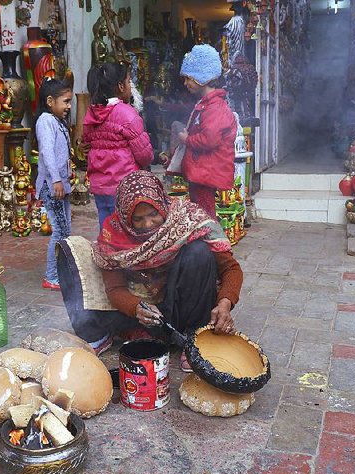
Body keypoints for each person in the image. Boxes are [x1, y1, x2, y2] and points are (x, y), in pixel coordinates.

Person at [56, 171, 242, 368]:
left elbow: (231, 268)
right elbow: (114, 289)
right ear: (126, 217)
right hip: (144, 316)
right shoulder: (114, 235)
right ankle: (112, 335)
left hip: (181, 306)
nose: (148, 224)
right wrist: (135, 307)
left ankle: (194, 338)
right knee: (73, 251)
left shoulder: (186, 219)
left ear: (162, 205)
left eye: (154, 214)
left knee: (198, 252)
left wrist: (225, 303)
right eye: (138, 219)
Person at [83, 62, 154, 231]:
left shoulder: (91, 113)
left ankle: (107, 256)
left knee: (107, 230)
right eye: (129, 82)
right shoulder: (127, 114)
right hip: (124, 185)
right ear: (120, 86)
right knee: (127, 232)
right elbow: (144, 155)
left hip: (100, 186)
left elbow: (86, 140)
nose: (130, 86)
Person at [176, 44, 237, 218]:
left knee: (204, 215)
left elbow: (209, 140)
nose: (185, 83)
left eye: (188, 78)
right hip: (202, 172)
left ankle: (213, 244)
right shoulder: (207, 105)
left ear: (200, 78)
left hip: (206, 173)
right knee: (202, 212)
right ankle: (208, 242)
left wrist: (187, 139)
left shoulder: (215, 108)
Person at [35, 78, 74, 291]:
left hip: (60, 183)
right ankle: (52, 276)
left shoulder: (56, 121)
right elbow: (47, 152)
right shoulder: (45, 121)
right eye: (65, 101)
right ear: (50, 101)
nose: (69, 106)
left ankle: (61, 272)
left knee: (65, 229)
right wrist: (56, 179)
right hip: (53, 185)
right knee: (60, 230)